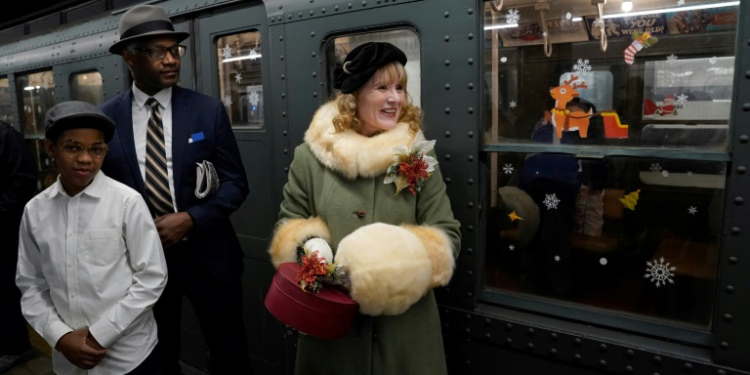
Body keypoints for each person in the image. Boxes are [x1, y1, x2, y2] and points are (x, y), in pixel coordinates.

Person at [268, 42, 461, 375]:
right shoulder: (310, 158)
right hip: (331, 328)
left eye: (400, 87)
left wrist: (396, 268)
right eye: (382, 87)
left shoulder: (417, 156)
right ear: (353, 96)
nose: (395, 98)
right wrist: (313, 253)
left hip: (403, 332)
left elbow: (446, 234)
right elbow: (291, 224)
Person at [99, 4, 251, 374]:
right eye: (157, 52)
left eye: (174, 50)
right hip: (143, 263)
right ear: (129, 58)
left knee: (229, 352)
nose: (170, 60)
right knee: (160, 353)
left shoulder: (207, 111)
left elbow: (236, 183)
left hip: (210, 257)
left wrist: (192, 219)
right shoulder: (105, 120)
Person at [15, 101, 168, 374]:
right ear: (50, 149)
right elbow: (31, 285)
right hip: (68, 360)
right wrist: (60, 336)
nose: (85, 158)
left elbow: (152, 277)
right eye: (72, 147)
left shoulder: (126, 203)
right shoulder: (35, 211)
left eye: (96, 149)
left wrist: (100, 333)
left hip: (129, 357)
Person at [0, 120, 36, 373]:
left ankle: (16, 347)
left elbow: (23, 181)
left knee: (3, 289)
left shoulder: (4, 135)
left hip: (3, 230)